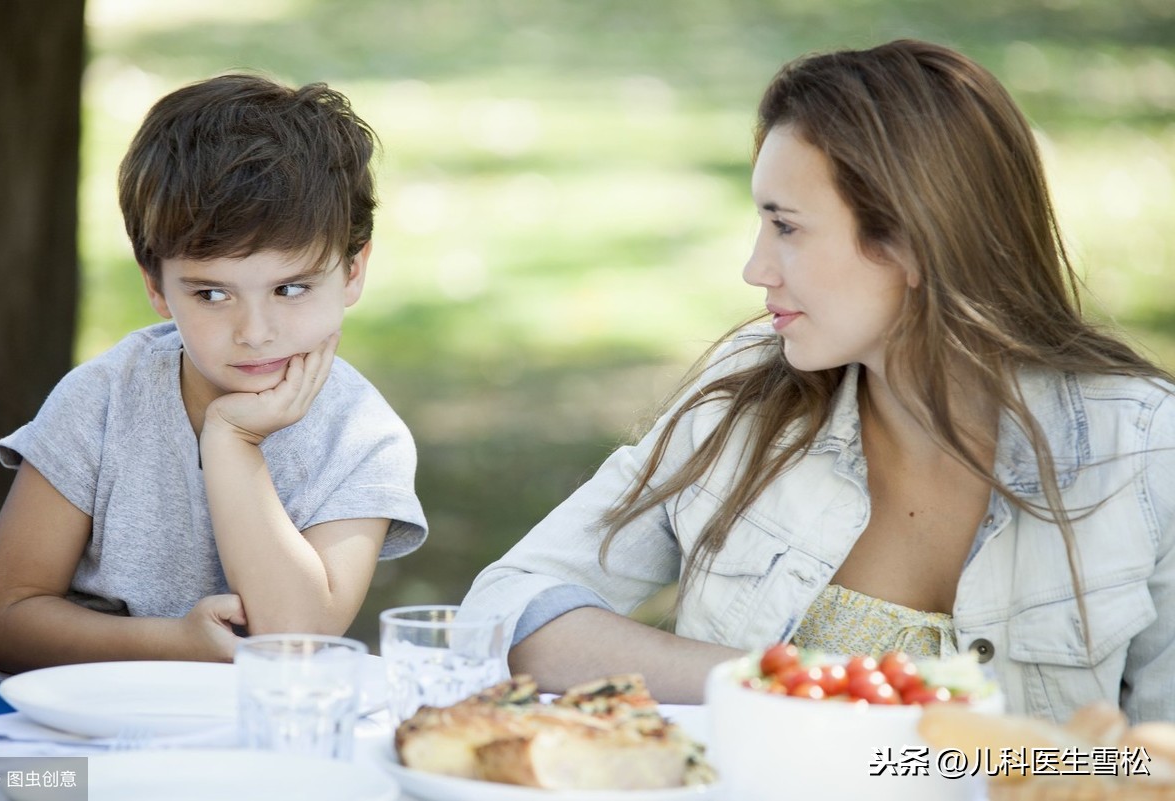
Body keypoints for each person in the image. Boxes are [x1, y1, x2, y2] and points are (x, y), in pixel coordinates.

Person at [460, 39, 1175, 724]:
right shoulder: (742, 397)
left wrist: (1001, 770)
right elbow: (509, 605)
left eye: (788, 227)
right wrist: (775, 687)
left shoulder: (1143, 452)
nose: (755, 267)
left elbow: (1155, 765)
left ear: (914, 243)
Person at [0, 75, 427, 684]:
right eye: (212, 293)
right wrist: (173, 643)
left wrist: (233, 444)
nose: (256, 331)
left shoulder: (361, 437)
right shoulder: (104, 400)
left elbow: (296, 638)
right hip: (79, 725)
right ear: (156, 286)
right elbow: (2, 620)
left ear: (352, 271)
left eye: (290, 288)